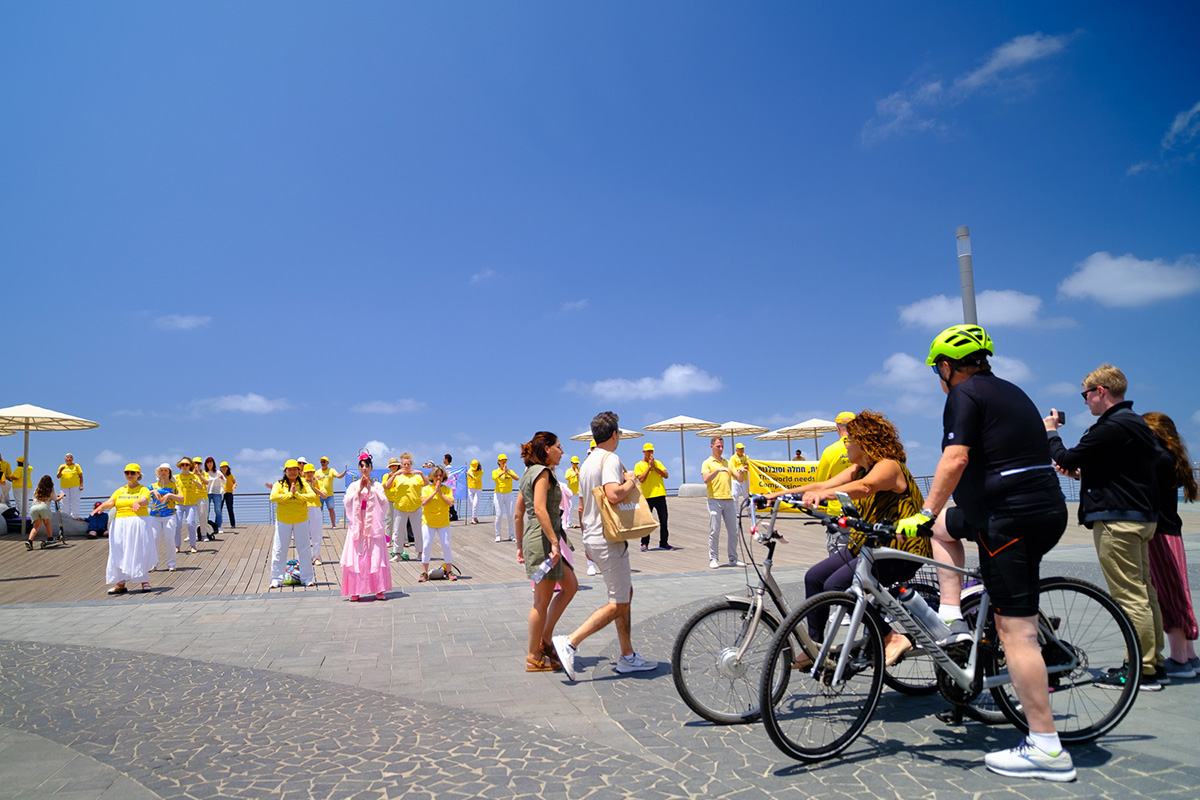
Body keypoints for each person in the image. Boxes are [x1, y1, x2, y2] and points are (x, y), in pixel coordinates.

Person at [896, 324, 1074, 781]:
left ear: (946, 367)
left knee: (1017, 633)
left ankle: (1047, 748)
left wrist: (924, 510)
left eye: (937, 370)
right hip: (1038, 512)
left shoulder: (964, 394)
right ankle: (952, 612)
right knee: (944, 528)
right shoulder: (1012, 391)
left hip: (1009, 521)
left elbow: (955, 458)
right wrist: (936, 516)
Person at [766, 411, 930, 667]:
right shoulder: (860, 469)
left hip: (900, 550)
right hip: (869, 547)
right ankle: (814, 646)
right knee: (814, 578)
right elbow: (824, 485)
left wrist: (826, 496)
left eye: (848, 440)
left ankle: (891, 637)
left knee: (837, 585)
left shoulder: (889, 465)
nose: (845, 445)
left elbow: (866, 488)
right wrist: (778, 495)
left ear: (864, 441)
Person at [1044, 363, 1165, 691]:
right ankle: (1153, 662)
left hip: (1118, 522)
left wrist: (1051, 432)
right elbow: (1124, 471)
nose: (1085, 402)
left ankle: (1139, 670)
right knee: (1144, 591)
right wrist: (1084, 476)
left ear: (1101, 391)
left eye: (1086, 395)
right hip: (1142, 517)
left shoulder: (1110, 426)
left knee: (1129, 596)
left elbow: (1067, 457)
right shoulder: (1136, 424)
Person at [552, 411, 658, 680]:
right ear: (614, 434)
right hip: (608, 538)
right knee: (619, 602)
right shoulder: (609, 459)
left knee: (624, 594)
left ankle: (627, 655)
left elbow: (582, 505)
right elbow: (613, 494)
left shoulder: (588, 462)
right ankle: (570, 642)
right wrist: (631, 480)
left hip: (593, 535)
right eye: (618, 433)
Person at [1143, 412, 1199, 678]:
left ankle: (1179, 658)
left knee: (1169, 596)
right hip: (1172, 533)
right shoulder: (1171, 458)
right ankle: (1189, 655)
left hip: (1160, 536)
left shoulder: (1157, 459)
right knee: (1179, 594)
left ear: (1153, 433)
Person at [515, 431, 576, 672]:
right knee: (541, 601)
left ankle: (546, 639)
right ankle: (533, 655)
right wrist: (553, 543)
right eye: (558, 447)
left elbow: (518, 513)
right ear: (547, 449)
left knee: (570, 586)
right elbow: (540, 509)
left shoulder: (528, 473)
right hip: (543, 541)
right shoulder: (542, 473)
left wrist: (520, 545)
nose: (562, 451)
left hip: (536, 538)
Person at [92, 464, 156, 595]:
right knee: (119, 551)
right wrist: (101, 507)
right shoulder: (120, 490)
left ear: (138, 474)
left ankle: (144, 580)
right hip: (120, 522)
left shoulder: (143, 489)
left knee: (139, 550)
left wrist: (138, 503)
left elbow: (145, 500)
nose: (129, 475)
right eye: (127, 473)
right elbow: (111, 502)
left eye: (133, 472)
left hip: (138, 521)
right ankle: (120, 583)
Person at [341, 451, 391, 602]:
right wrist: (358, 491)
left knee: (375, 555)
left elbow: (384, 502)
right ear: (359, 468)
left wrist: (371, 489)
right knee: (357, 555)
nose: (364, 469)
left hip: (373, 523)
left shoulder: (377, 486)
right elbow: (346, 501)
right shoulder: (353, 485)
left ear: (371, 468)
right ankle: (355, 590)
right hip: (358, 523)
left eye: (367, 466)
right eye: (362, 466)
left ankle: (379, 589)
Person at [268, 460, 317, 589]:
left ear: (299, 471)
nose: (292, 472)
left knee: (304, 549)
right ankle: (276, 579)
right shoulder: (279, 484)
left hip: (301, 520)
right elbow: (273, 497)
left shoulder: (304, 484)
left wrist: (298, 495)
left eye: (295, 469)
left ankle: (307, 578)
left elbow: (312, 496)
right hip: (283, 520)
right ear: (285, 471)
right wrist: (290, 494)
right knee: (279, 549)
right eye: (289, 470)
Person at [701, 437, 743, 569]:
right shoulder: (707, 462)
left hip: (728, 499)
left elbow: (739, 478)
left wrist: (741, 472)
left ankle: (733, 558)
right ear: (712, 446)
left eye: (722, 446)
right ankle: (713, 558)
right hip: (714, 499)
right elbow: (706, 479)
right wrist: (718, 470)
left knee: (734, 531)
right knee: (714, 530)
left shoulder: (727, 462)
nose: (720, 449)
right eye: (718, 446)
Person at [384, 453, 425, 561]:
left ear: (411, 465)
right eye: (404, 464)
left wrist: (421, 473)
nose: (406, 466)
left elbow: (426, 484)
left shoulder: (416, 477)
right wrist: (394, 475)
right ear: (401, 465)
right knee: (398, 531)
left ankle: (420, 553)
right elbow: (387, 486)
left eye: (408, 464)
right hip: (400, 507)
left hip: (415, 507)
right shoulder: (397, 477)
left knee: (418, 531)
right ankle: (397, 554)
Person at [418, 466, 457, 582]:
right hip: (428, 522)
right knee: (426, 545)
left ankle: (449, 571)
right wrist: (434, 492)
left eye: (440, 475)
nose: (438, 478)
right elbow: (424, 502)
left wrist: (440, 493)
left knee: (446, 545)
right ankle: (424, 572)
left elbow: (450, 503)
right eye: (436, 475)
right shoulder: (426, 489)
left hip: (443, 522)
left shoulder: (447, 490)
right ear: (432, 477)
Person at [813, 412, 855, 516]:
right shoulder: (867, 448)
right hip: (865, 510)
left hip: (838, 510)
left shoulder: (831, 451)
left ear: (838, 428)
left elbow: (820, 482)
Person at [635, 443, 672, 551]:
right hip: (647, 496)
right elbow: (641, 479)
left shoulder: (658, 463)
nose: (650, 453)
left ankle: (664, 543)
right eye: (648, 451)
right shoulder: (639, 465)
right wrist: (649, 467)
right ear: (644, 452)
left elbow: (666, 475)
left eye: (651, 451)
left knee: (664, 520)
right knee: (646, 521)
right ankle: (644, 543)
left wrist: (654, 467)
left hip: (660, 494)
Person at [148, 464, 184, 572]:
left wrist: (170, 495)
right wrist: (153, 492)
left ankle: (171, 564)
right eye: (161, 470)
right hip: (155, 516)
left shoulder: (175, 485)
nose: (163, 472)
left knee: (169, 539)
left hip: (169, 515)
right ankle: (153, 564)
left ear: (169, 473)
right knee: (154, 539)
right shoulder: (153, 485)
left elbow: (182, 498)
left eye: (165, 470)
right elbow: (143, 495)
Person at [24, 475, 64, 550]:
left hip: (33, 507)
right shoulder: (50, 489)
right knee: (46, 523)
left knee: (36, 526)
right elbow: (56, 499)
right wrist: (61, 496)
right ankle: (50, 538)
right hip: (43, 507)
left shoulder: (37, 489)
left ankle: (30, 541)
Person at [174, 457, 204, 553]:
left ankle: (193, 545)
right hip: (178, 504)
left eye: (186, 465)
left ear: (190, 466)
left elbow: (201, 487)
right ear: (180, 466)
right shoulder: (176, 477)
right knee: (177, 525)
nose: (184, 466)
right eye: (182, 465)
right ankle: (177, 546)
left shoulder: (194, 476)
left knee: (190, 523)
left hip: (191, 504)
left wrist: (196, 482)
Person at [303, 463, 327, 565]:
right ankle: (304, 558)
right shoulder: (300, 483)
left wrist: (314, 488)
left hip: (316, 508)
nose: (309, 474)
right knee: (303, 534)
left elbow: (325, 495)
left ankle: (316, 557)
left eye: (311, 472)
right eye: (307, 472)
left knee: (316, 534)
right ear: (304, 473)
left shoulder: (318, 482)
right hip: (303, 509)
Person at [492, 454, 519, 543]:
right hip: (498, 494)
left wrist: (507, 472)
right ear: (498, 462)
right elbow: (495, 477)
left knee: (510, 515)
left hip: (509, 494)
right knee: (499, 515)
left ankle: (512, 535)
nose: (504, 462)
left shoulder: (510, 471)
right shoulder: (495, 471)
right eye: (502, 460)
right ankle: (498, 535)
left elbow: (517, 478)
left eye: (505, 460)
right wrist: (503, 472)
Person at [315, 456, 346, 528]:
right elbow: (313, 480)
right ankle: (317, 525)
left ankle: (334, 525)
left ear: (327, 463)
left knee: (331, 510)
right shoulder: (317, 472)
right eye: (321, 462)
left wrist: (343, 474)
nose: (322, 463)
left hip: (329, 495)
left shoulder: (331, 470)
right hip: (320, 495)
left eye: (324, 462)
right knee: (319, 510)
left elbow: (338, 475)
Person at [57, 453, 84, 519]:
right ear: (65, 459)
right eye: (67, 457)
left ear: (72, 459)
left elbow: (81, 476)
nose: (69, 459)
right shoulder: (62, 466)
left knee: (75, 501)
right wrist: (61, 470)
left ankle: (75, 516)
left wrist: (81, 485)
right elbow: (58, 476)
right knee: (64, 501)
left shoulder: (76, 466)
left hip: (75, 486)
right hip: (64, 487)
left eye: (70, 457)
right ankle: (66, 516)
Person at [203, 457, 225, 536]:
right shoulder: (204, 473)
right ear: (206, 464)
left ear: (213, 463)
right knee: (207, 510)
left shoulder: (218, 472)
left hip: (217, 492)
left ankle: (218, 526)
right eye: (208, 462)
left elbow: (224, 481)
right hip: (207, 493)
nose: (209, 464)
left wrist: (222, 478)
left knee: (218, 510)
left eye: (211, 462)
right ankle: (205, 526)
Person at [562, 455, 581, 531]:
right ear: (571, 463)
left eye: (577, 463)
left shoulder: (580, 470)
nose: (575, 465)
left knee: (583, 507)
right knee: (570, 507)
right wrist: (574, 474)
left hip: (580, 490)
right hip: (572, 491)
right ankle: (568, 523)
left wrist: (578, 474)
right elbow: (566, 477)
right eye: (574, 463)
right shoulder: (569, 470)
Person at [730, 442, 750, 508]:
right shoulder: (733, 458)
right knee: (734, 495)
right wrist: (740, 468)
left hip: (744, 478)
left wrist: (745, 467)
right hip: (735, 479)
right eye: (740, 449)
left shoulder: (746, 457)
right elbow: (731, 468)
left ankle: (749, 511)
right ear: (736, 449)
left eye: (742, 448)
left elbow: (749, 466)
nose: (741, 450)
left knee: (746, 496)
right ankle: (735, 512)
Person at [219, 462, 237, 529]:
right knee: (219, 509)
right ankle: (217, 524)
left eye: (225, 467)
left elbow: (235, 482)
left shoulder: (230, 475)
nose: (224, 468)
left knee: (230, 508)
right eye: (222, 467)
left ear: (227, 468)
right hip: (221, 493)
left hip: (229, 493)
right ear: (220, 468)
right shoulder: (219, 475)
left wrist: (234, 486)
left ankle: (233, 524)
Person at [466, 459, 483, 524]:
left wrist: (471, 476)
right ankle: (475, 517)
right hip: (470, 488)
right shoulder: (469, 470)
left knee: (475, 503)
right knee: (471, 504)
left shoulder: (481, 471)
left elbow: (477, 479)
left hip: (478, 489)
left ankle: (473, 518)